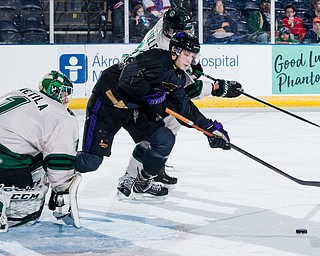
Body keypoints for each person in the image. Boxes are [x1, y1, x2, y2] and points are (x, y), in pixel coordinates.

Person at [74, 32, 235, 200]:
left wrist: (209, 129)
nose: (189, 61)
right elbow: (126, 79)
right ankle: (54, 161)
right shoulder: (155, 58)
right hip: (107, 105)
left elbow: (184, 107)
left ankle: (143, 181)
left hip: (134, 108)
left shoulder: (178, 78)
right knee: (90, 161)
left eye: (192, 56)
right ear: (175, 51)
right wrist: (150, 93)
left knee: (165, 140)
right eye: (186, 54)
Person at [117, 6, 243, 198]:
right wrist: (217, 88)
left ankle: (153, 169)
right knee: (158, 132)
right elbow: (184, 93)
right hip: (143, 88)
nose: (182, 34)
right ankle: (132, 174)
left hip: (153, 82)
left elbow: (187, 56)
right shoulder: (159, 47)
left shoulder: (176, 30)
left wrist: (195, 66)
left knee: (172, 126)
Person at [0, 71, 81, 232]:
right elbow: (59, 161)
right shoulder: (61, 116)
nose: (66, 98)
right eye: (65, 92)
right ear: (56, 91)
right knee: (26, 214)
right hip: (5, 159)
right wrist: (61, 191)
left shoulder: (22, 91)